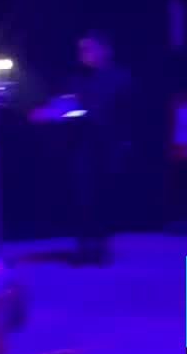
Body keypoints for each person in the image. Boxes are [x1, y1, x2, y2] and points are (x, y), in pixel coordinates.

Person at [30, 31, 131, 264]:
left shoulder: (120, 78)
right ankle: (84, 246)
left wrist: (123, 143)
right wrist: (49, 112)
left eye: (89, 48)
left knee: (104, 197)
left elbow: (118, 112)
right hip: (82, 146)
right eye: (81, 49)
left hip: (109, 145)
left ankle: (102, 247)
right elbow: (67, 105)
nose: (84, 53)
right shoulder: (75, 79)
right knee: (82, 196)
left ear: (105, 50)